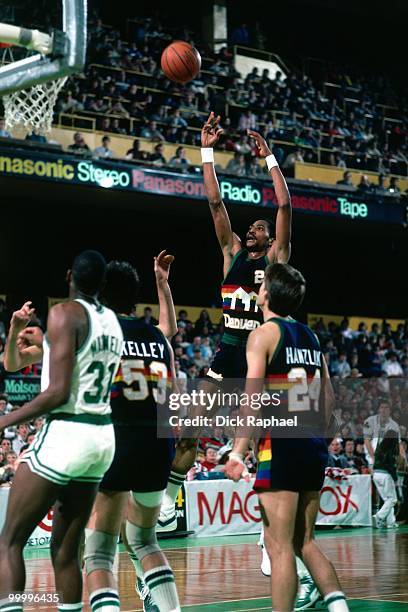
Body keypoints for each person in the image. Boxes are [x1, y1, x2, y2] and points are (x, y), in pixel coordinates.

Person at [0, 250, 123, 612]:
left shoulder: (64, 314)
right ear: (102, 283)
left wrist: (5, 420)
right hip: (101, 439)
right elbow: (12, 362)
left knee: (9, 541)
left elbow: (58, 392)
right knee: (67, 552)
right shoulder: (112, 321)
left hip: (69, 433)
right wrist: (16, 330)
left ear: (69, 275)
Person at [225, 263, 349, 612]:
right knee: (304, 542)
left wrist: (236, 453)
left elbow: (251, 399)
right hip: (312, 443)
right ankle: (340, 608)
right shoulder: (311, 337)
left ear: (265, 294)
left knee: (278, 547)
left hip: (280, 444)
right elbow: (329, 399)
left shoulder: (262, 334)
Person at [84, 251, 180, 612]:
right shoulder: (158, 338)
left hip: (117, 440)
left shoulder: (101, 333)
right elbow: (168, 332)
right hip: (157, 444)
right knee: (145, 541)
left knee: (99, 550)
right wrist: (162, 284)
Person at [373, 430, 400, 528]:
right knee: (392, 499)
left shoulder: (380, 447)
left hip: (376, 474)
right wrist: (395, 479)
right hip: (385, 475)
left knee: (387, 500)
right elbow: (390, 466)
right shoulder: (391, 448)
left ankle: (390, 522)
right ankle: (379, 516)